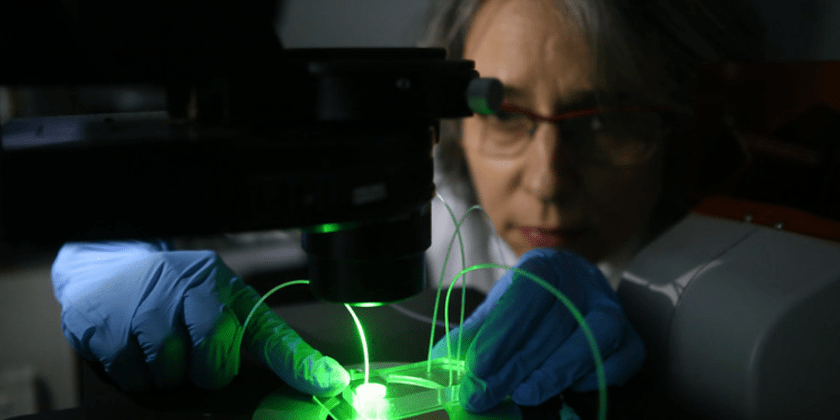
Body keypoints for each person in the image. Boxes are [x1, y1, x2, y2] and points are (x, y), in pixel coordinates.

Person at [51, 0, 766, 415]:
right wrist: (103, 258)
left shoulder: (752, 259)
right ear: (445, 120)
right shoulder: (432, 193)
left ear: (680, 121)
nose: (548, 179)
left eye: (608, 117)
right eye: (507, 115)